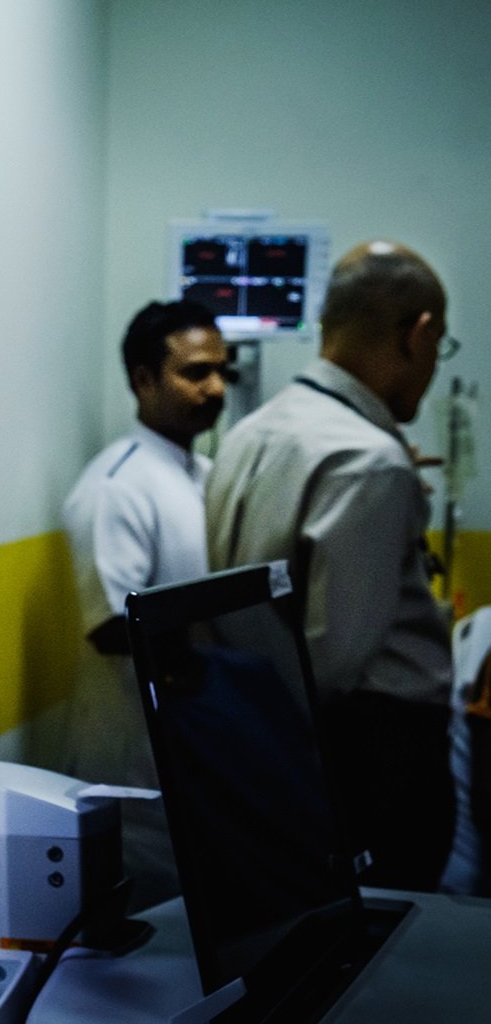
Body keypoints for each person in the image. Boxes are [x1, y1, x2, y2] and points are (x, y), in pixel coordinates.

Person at [207, 240, 456, 891]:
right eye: (439, 345)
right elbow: (335, 661)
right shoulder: (367, 459)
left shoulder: (249, 433)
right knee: (380, 957)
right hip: (371, 760)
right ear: (419, 333)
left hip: (258, 740)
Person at [59, 300, 227, 905]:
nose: (214, 388)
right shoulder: (117, 486)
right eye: (195, 372)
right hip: (134, 768)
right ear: (143, 378)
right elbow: (112, 624)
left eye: (221, 372)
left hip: (193, 757)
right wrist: (230, 667)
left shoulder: (203, 475)